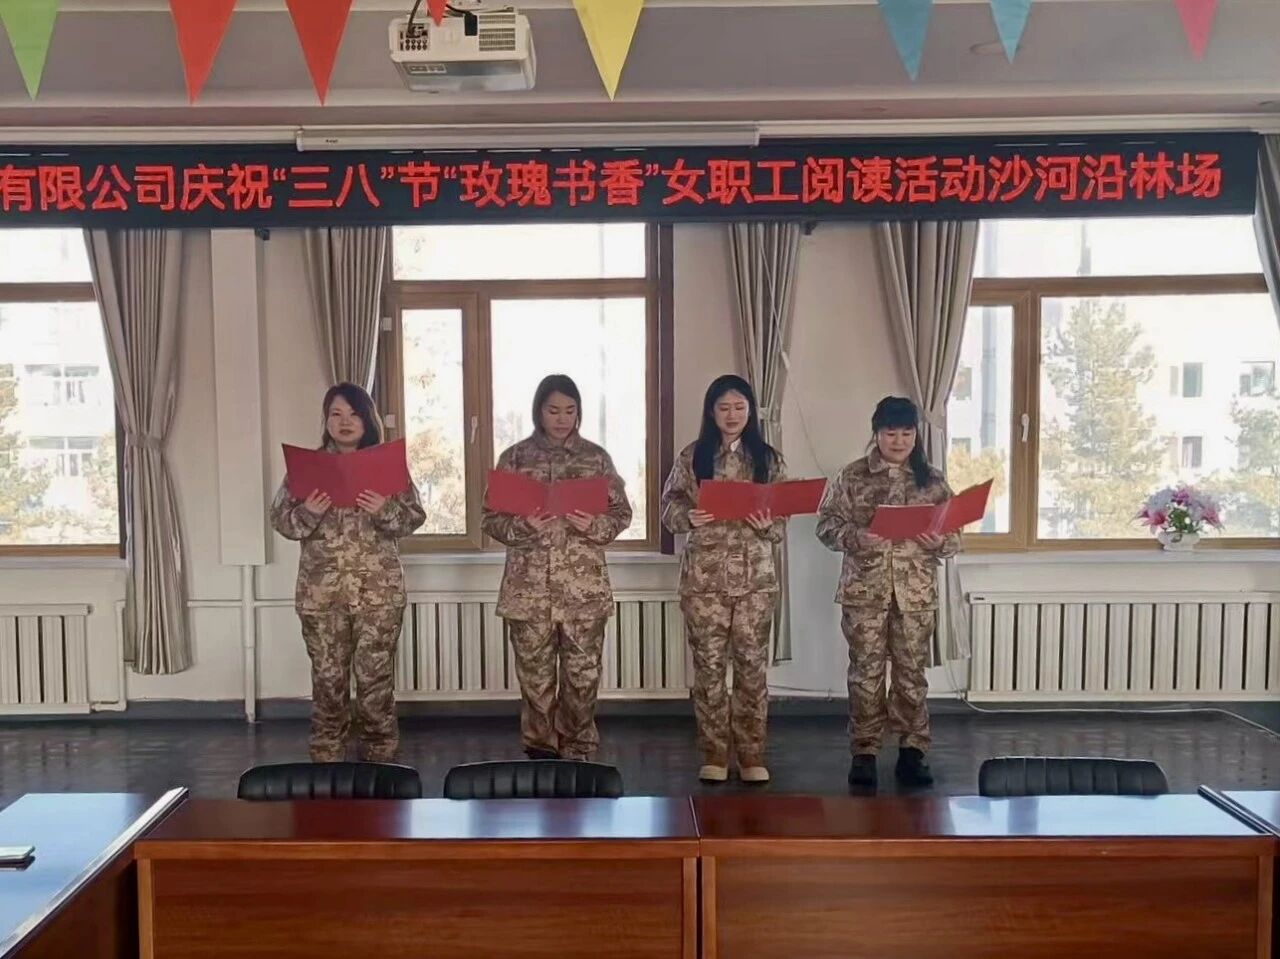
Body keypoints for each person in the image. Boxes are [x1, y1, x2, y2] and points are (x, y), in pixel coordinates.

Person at [270, 383, 426, 763]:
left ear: (367, 420)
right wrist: (308, 511)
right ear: (326, 420)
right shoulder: (306, 471)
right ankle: (328, 753)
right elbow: (282, 522)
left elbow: (413, 518)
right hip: (322, 595)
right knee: (328, 678)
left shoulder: (386, 466)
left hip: (378, 594)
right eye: (336, 414)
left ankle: (379, 751)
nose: (345, 422)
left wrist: (383, 509)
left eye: (354, 414)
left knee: (375, 678)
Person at [482, 374, 632, 761]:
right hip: (528, 592)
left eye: (569, 410)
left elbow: (622, 514)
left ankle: (578, 748)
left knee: (582, 678)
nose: (562, 418)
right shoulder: (514, 458)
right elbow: (490, 519)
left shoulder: (596, 459)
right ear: (539, 412)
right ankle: (540, 750)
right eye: (553, 411)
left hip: (583, 592)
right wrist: (523, 525)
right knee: (536, 681)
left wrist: (594, 525)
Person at [815, 396, 960, 789]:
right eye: (890, 433)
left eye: (907, 433)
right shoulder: (852, 476)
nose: (899, 441)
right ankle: (864, 751)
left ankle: (913, 751)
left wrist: (937, 541)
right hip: (865, 592)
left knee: (912, 674)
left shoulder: (932, 481)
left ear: (917, 435)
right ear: (876, 433)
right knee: (865, 674)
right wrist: (857, 536)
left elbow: (954, 538)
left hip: (915, 594)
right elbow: (826, 526)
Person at [661, 375, 784, 784]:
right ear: (711, 412)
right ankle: (714, 752)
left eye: (739, 407)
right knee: (709, 669)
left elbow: (783, 519)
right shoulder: (693, 456)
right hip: (705, 581)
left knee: (751, 670)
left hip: (754, 582)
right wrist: (688, 517)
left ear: (750, 412)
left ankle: (751, 754)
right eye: (724, 407)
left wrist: (768, 524)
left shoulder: (767, 459)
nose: (732, 415)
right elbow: (669, 508)